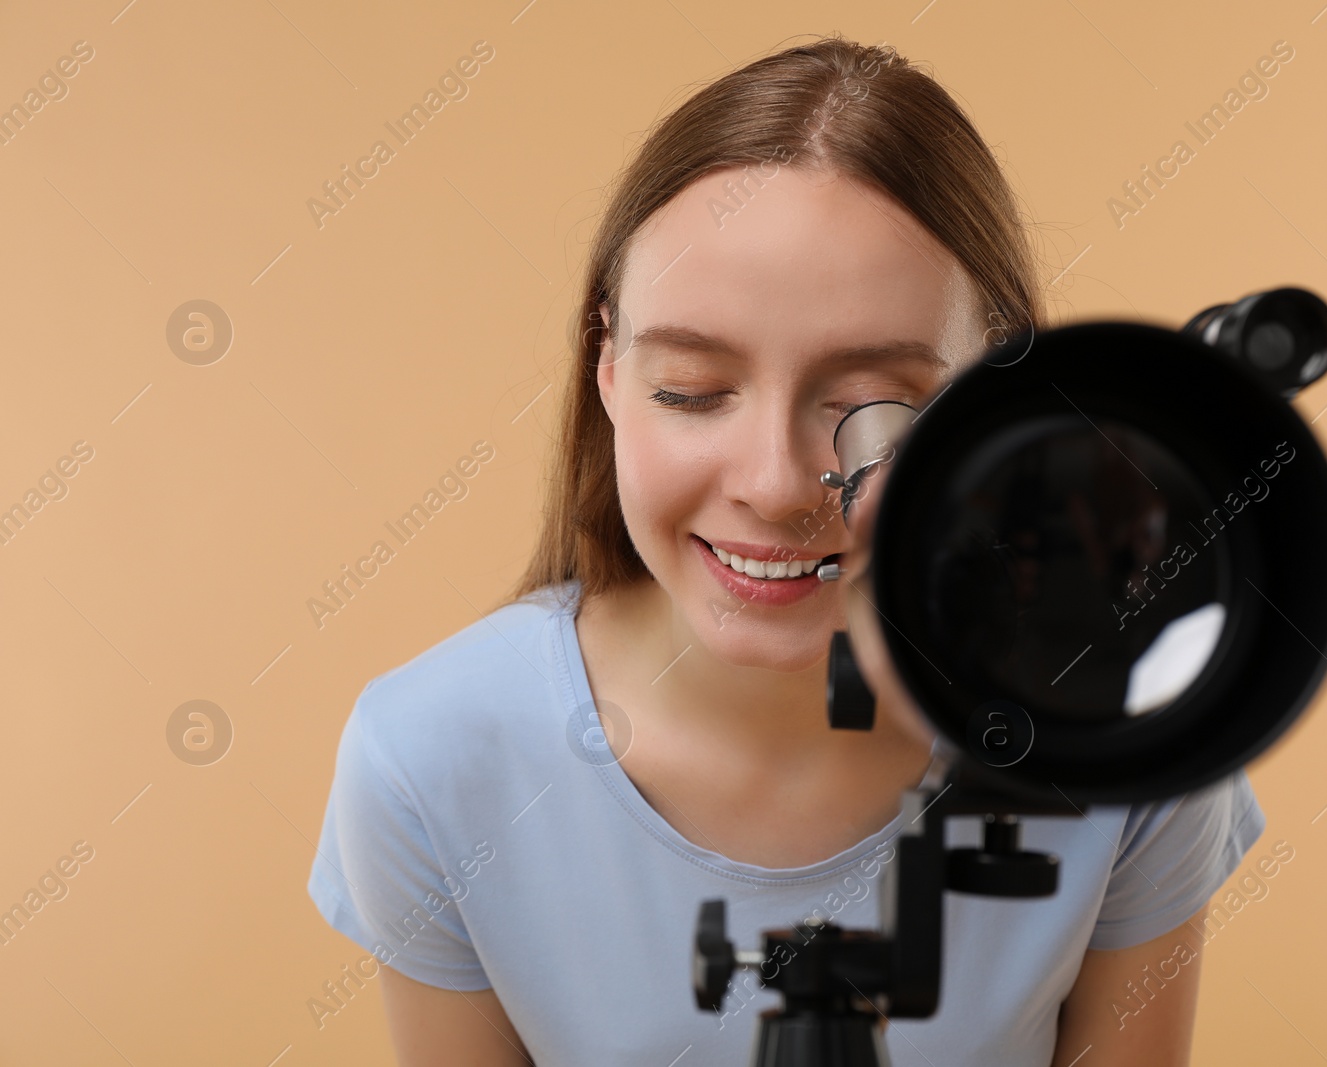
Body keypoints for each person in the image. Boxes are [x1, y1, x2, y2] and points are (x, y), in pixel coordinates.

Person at [307, 35, 1265, 1066]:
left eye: (868, 406)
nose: (771, 480)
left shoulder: (1134, 726)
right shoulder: (433, 759)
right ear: (609, 370)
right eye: (691, 389)